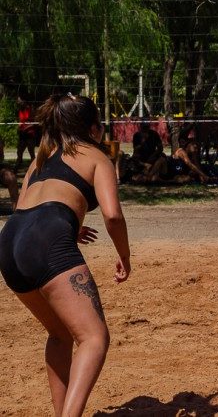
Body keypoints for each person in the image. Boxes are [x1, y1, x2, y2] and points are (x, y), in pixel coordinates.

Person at [0, 94, 131, 417]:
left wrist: (64, 226)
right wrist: (125, 257)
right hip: (47, 237)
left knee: (60, 334)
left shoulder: (41, 158)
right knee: (94, 338)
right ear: (94, 128)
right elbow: (113, 215)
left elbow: (25, 210)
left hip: (10, 240)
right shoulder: (96, 156)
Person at [16, 99, 39, 172]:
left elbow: (36, 123)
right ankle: (16, 168)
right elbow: (21, 121)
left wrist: (26, 127)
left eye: (19, 100)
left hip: (30, 135)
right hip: (22, 134)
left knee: (31, 152)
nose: (18, 102)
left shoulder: (30, 110)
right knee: (19, 152)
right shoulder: (20, 110)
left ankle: (35, 169)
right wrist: (19, 126)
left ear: (24, 101)